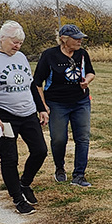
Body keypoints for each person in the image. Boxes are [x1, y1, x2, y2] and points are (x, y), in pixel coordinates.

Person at [0, 20, 49, 214]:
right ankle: (17, 199)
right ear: (2, 39)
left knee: (40, 150)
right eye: (14, 42)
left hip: (28, 112)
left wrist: (41, 108)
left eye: (20, 43)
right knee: (9, 158)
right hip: (4, 115)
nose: (17, 46)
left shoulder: (21, 57)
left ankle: (24, 184)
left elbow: (31, 85)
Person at [33, 24, 96, 187]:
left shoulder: (82, 54)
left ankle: (79, 175)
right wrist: (43, 105)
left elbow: (91, 72)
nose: (80, 41)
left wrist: (86, 81)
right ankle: (59, 168)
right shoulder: (49, 55)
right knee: (59, 139)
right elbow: (37, 82)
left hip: (80, 102)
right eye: (76, 38)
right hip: (57, 103)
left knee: (82, 138)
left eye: (81, 38)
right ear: (64, 39)